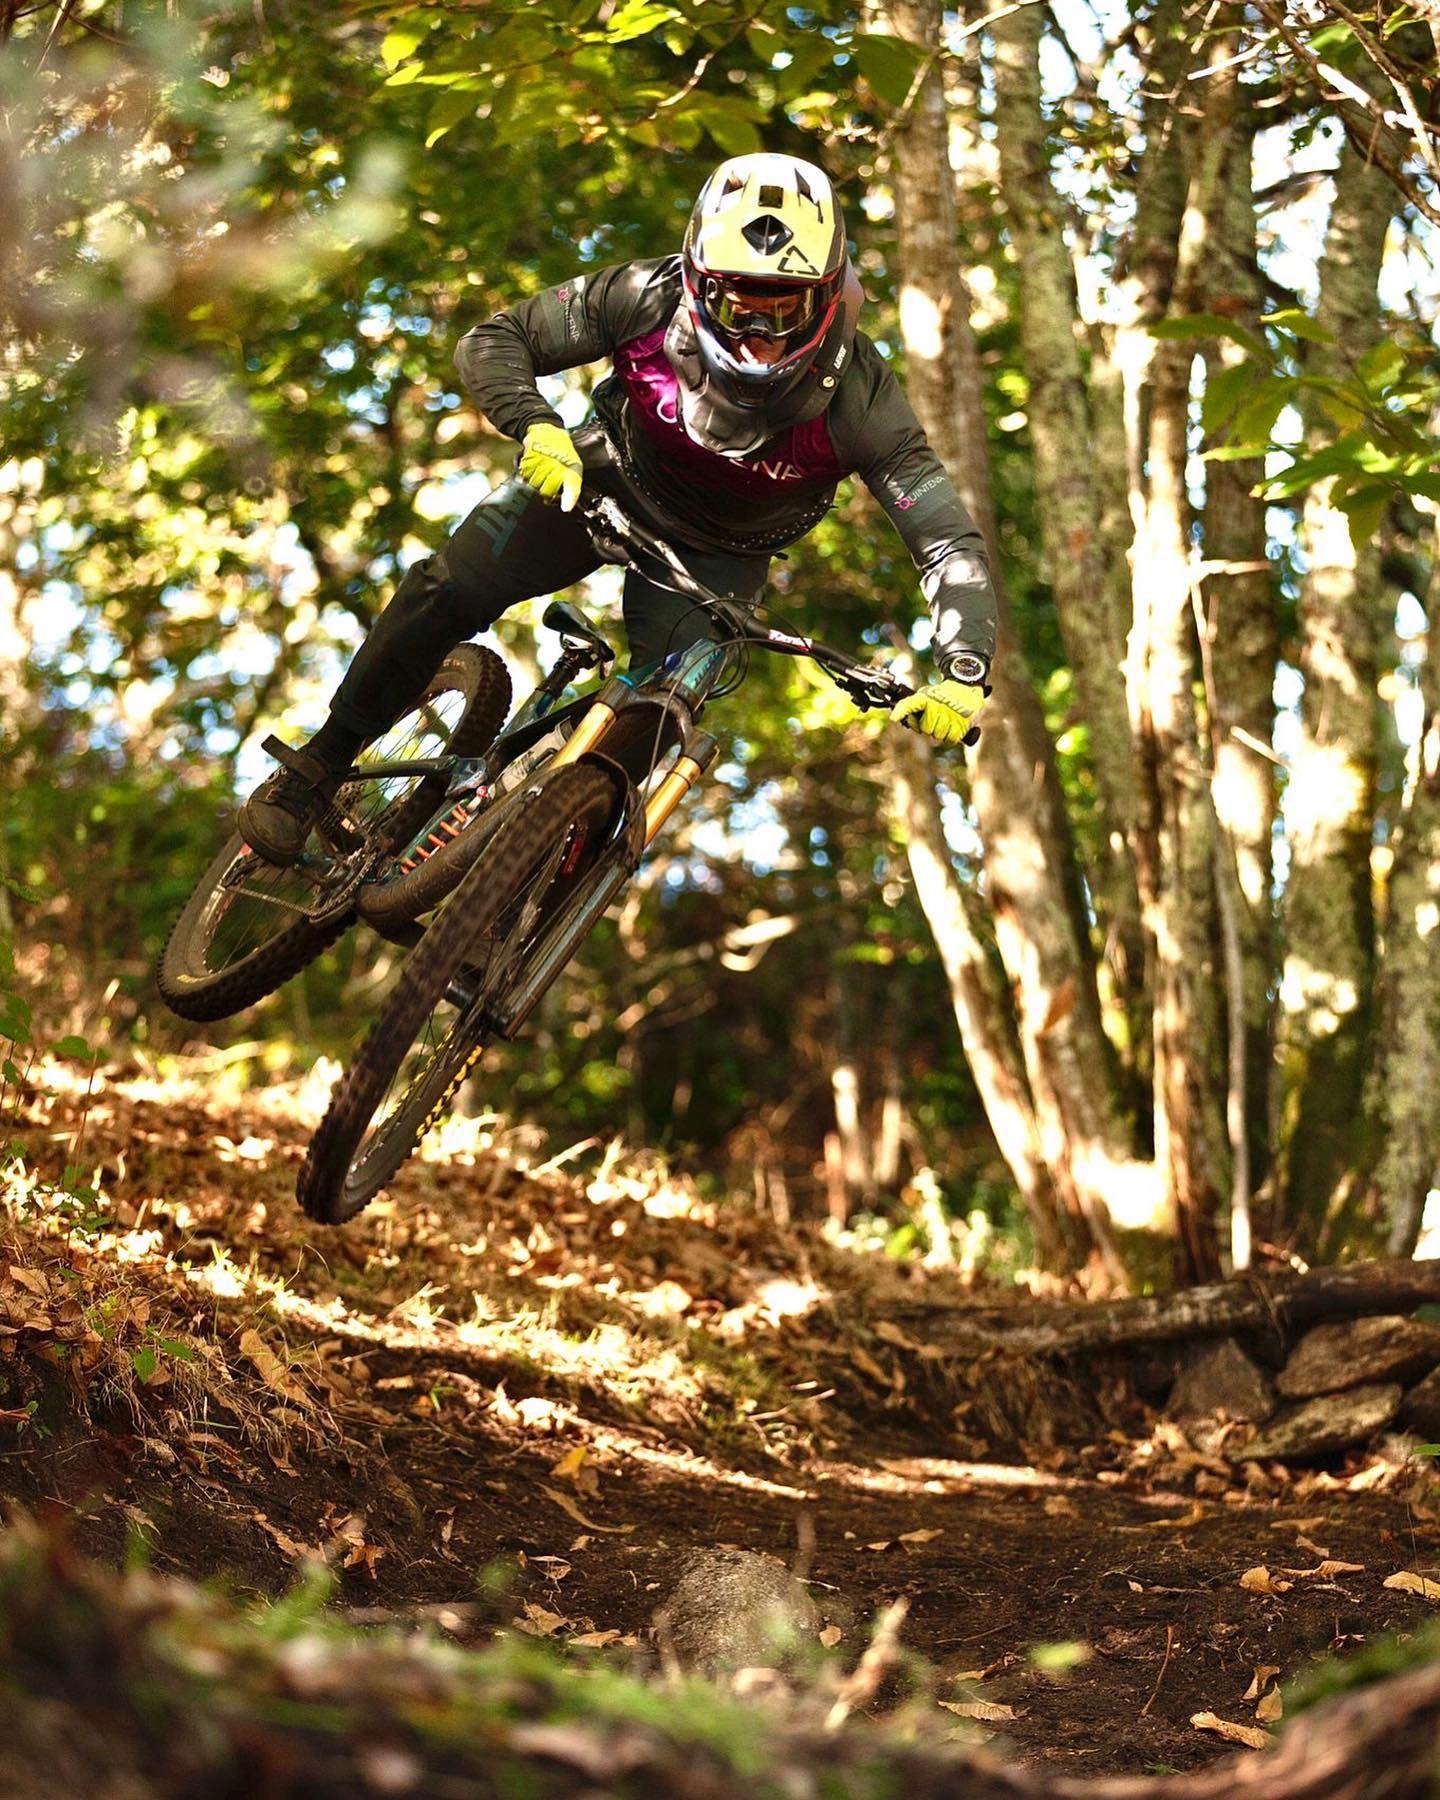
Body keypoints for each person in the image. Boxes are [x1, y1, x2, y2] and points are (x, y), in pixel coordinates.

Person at [239, 152, 998, 865]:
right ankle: (314, 770)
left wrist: (963, 667)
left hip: (720, 555)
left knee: (659, 718)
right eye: (739, 306)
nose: (761, 337)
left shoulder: (864, 400)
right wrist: (536, 424)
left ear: (829, 297)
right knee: (450, 588)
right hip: (598, 480)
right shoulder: (645, 294)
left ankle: (530, 892)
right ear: (699, 282)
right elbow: (497, 338)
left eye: (786, 308)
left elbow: (944, 540)